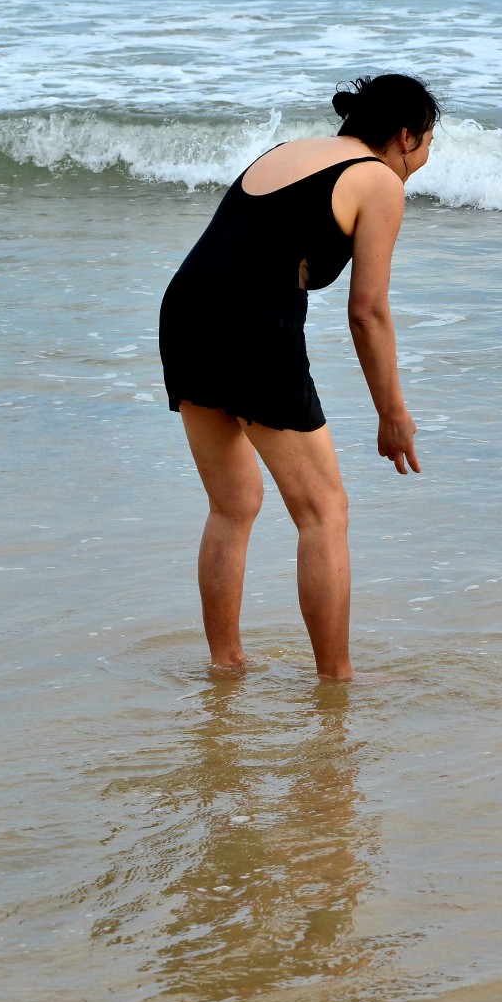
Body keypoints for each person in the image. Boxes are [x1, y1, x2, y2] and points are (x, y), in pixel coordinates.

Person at [159, 73, 438, 680]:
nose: (426, 156)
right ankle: (336, 680)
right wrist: (391, 411)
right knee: (324, 510)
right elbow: (368, 310)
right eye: (428, 141)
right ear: (406, 136)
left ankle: (225, 666)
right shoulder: (379, 180)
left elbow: (256, 247)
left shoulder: (287, 153)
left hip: (186, 311)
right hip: (250, 324)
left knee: (233, 505)